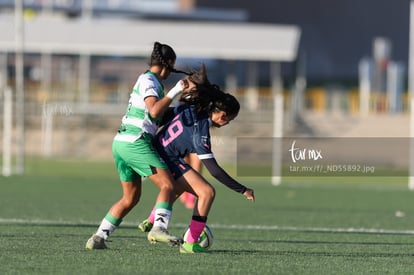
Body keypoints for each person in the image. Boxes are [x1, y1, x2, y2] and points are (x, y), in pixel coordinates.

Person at [86, 41, 196, 250]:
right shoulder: (149, 80)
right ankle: (159, 228)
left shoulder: (151, 82)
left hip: (122, 143)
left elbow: (157, 115)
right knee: (168, 185)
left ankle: (98, 237)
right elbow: (154, 111)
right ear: (167, 65)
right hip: (136, 143)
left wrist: (184, 106)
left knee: (131, 197)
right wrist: (176, 90)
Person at [138, 65, 255, 253]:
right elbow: (214, 171)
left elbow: (166, 115)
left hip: (158, 150)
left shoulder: (191, 108)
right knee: (207, 192)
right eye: (229, 121)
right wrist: (242, 189)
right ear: (222, 115)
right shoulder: (201, 133)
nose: (226, 124)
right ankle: (190, 243)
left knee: (181, 186)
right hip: (165, 157)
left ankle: (151, 220)